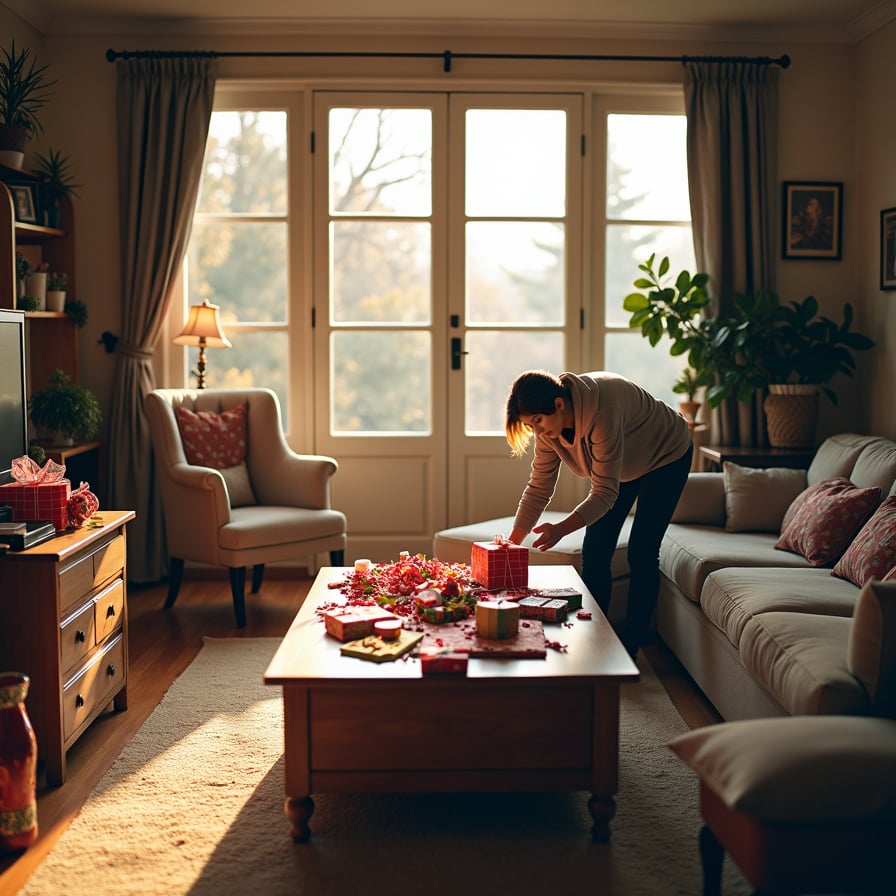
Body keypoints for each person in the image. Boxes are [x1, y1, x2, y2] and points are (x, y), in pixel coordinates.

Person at [504, 370, 693, 657]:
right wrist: (511, 544)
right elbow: (540, 486)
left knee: (641, 551)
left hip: (666, 454)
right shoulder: (548, 430)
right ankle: (595, 637)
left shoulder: (603, 410)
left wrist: (561, 529)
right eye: (531, 426)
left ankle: (630, 648)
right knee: (595, 550)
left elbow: (604, 493)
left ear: (559, 404)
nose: (538, 432)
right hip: (622, 463)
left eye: (538, 421)